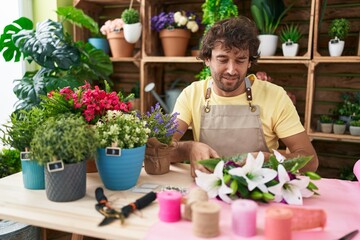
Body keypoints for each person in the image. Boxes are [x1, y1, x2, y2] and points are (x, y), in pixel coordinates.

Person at [170, 16, 319, 177]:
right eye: (222, 60)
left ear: (249, 62)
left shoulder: (275, 96)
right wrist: (188, 148)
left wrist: (268, 160)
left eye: (240, 60)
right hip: (208, 190)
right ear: (207, 59)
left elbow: (310, 161)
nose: (232, 70)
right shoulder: (192, 94)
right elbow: (158, 148)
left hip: (260, 193)